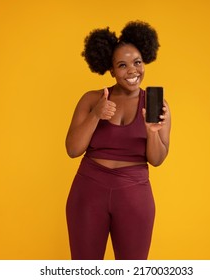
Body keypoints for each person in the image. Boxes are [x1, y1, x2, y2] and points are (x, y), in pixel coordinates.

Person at [65, 20, 171, 260]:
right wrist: (96, 114)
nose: (132, 71)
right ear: (111, 70)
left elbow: (156, 160)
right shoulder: (92, 99)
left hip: (134, 194)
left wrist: (152, 130)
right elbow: (73, 149)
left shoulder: (157, 105)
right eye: (122, 65)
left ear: (145, 61)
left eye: (137, 62)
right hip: (88, 191)